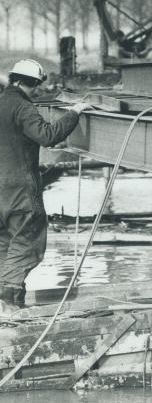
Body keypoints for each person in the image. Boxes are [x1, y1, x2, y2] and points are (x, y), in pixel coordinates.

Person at [0, 59, 89, 313]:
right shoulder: (22, 106)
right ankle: (9, 301)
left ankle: (7, 302)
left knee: (4, 244)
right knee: (29, 240)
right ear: (34, 84)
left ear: (13, 78)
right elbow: (47, 136)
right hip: (19, 191)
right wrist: (75, 112)